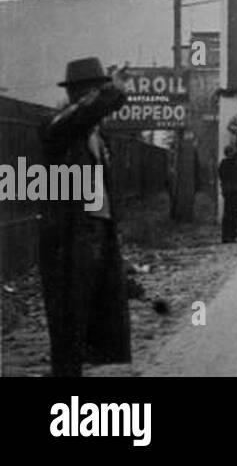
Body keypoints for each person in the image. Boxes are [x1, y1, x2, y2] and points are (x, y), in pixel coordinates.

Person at [38, 57, 131, 377]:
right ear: (81, 95)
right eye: (96, 91)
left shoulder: (95, 136)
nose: (100, 99)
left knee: (97, 312)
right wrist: (113, 89)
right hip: (69, 235)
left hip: (96, 229)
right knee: (68, 317)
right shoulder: (57, 126)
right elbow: (95, 107)